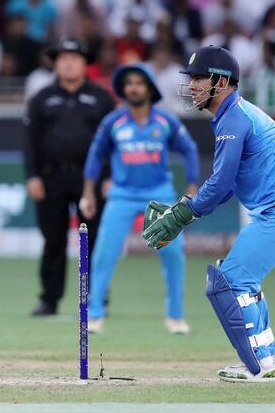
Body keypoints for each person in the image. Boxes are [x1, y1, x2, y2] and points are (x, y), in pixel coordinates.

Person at [142, 45, 275, 382]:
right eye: (190, 78)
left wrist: (185, 212)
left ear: (221, 82)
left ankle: (261, 367)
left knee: (229, 282)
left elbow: (221, 180)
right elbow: (226, 187)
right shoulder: (234, 114)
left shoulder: (234, 117)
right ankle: (269, 357)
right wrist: (189, 211)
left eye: (198, 78)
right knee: (238, 279)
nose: (191, 85)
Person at [80, 63, 199, 334]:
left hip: (159, 195)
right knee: (103, 255)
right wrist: (88, 191)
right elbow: (96, 155)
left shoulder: (166, 121)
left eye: (139, 82)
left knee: (173, 253)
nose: (133, 87)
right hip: (121, 195)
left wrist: (192, 186)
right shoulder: (113, 122)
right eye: (128, 83)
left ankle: (176, 316)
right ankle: (95, 314)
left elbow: (189, 149)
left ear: (149, 88)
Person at [24, 39, 115, 316]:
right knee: (52, 239)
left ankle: (95, 297)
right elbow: (30, 142)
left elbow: (113, 142)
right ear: (55, 64)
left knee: (94, 239)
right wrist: (32, 177)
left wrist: (110, 177)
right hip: (51, 178)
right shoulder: (41, 99)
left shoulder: (101, 98)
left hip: (90, 180)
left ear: (85, 63)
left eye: (74, 58)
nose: (68, 63)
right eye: (62, 58)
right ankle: (49, 299)